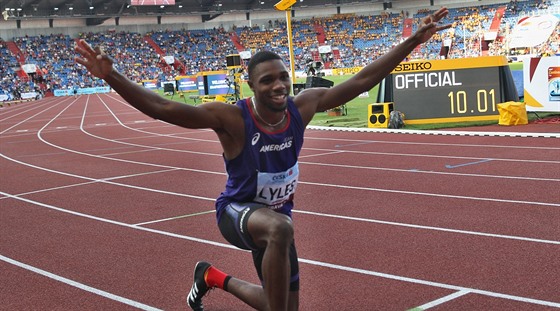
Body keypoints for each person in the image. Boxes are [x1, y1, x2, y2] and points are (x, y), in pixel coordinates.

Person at [75, 7, 450, 311]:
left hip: (275, 222)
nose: (279, 86)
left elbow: (363, 81)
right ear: (251, 86)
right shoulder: (232, 119)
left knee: (281, 308)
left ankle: (210, 277)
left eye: (283, 78)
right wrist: (114, 78)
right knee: (281, 229)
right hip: (235, 213)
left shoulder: (304, 106)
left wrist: (414, 40)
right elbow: (161, 107)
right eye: (268, 80)